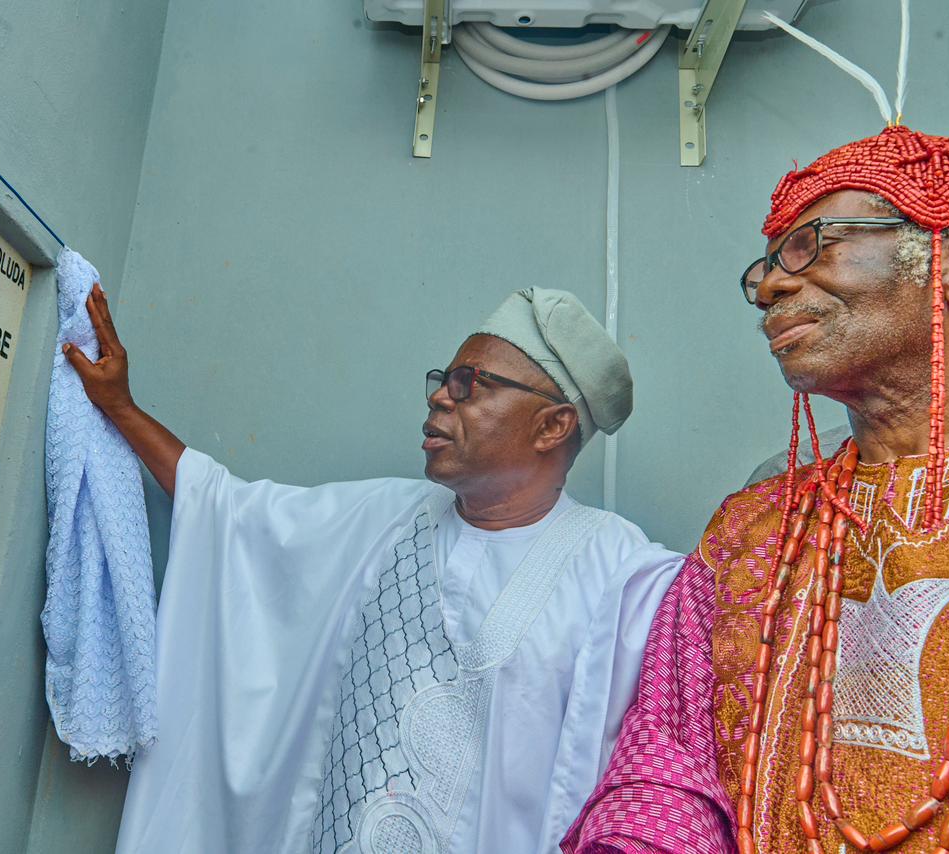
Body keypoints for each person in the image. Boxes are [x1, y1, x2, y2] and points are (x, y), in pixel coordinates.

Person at [62, 285, 682, 853]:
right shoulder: (385, 518)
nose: (441, 395)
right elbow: (227, 510)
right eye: (445, 378)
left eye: (472, 383)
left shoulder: (624, 581)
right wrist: (120, 408)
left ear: (552, 425)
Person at [561, 124, 949, 854]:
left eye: (815, 243)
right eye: (764, 268)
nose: (770, 286)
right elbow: (669, 768)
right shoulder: (750, 534)